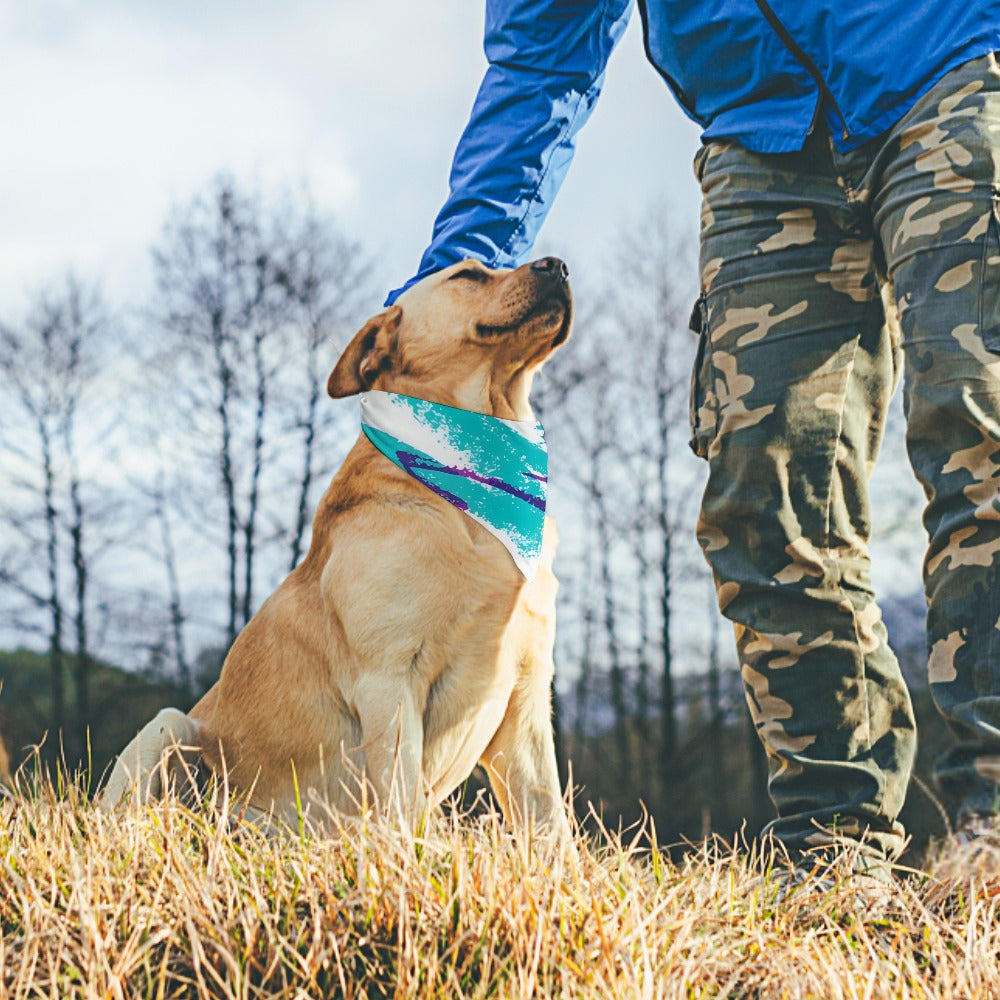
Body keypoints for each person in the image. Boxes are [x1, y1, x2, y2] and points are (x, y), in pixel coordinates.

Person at [388, 0, 1000, 878]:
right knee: (766, 500)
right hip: (762, 139)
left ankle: (994, 830)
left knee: (980, 431)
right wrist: (452, 288)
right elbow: (540, 64)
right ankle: (835, 853)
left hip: (948, 60)